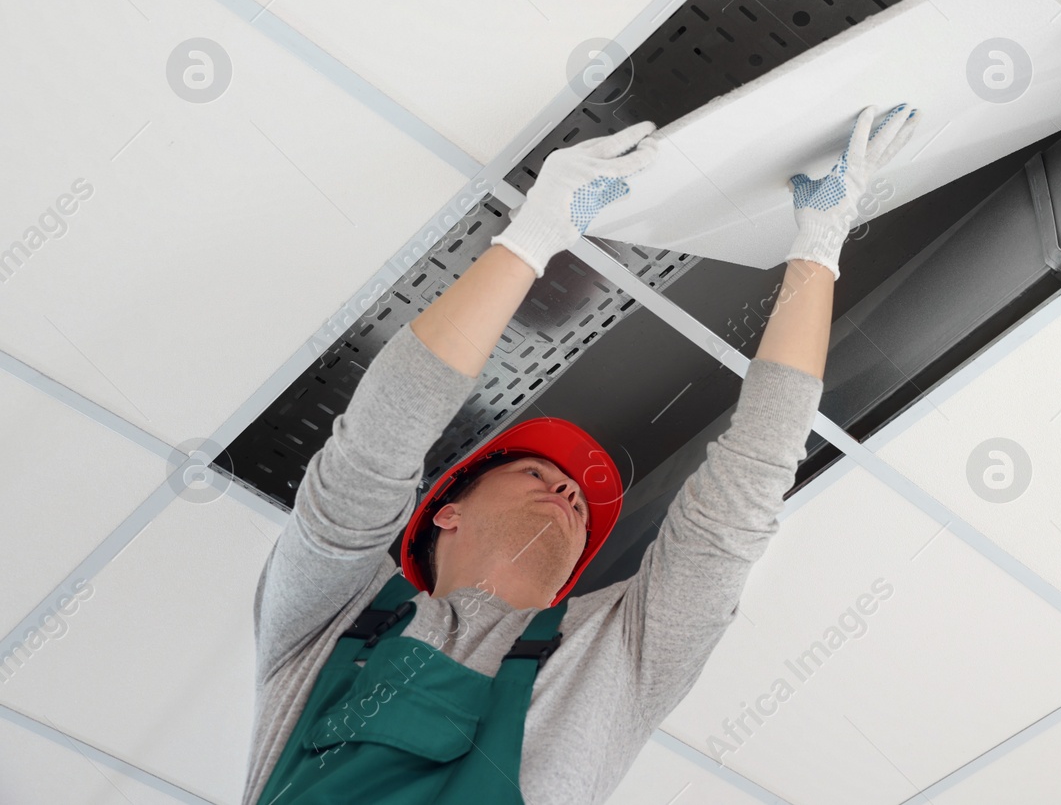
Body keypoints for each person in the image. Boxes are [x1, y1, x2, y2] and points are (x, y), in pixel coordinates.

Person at [242, 102, 918, 804]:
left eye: (561, 485)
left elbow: (377, 447)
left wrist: (820, 238)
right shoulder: (327, 619)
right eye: (542, 474)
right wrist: (815, 256)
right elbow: (375, 448)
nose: (569, 493)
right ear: (445, 513)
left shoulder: (609, 650)